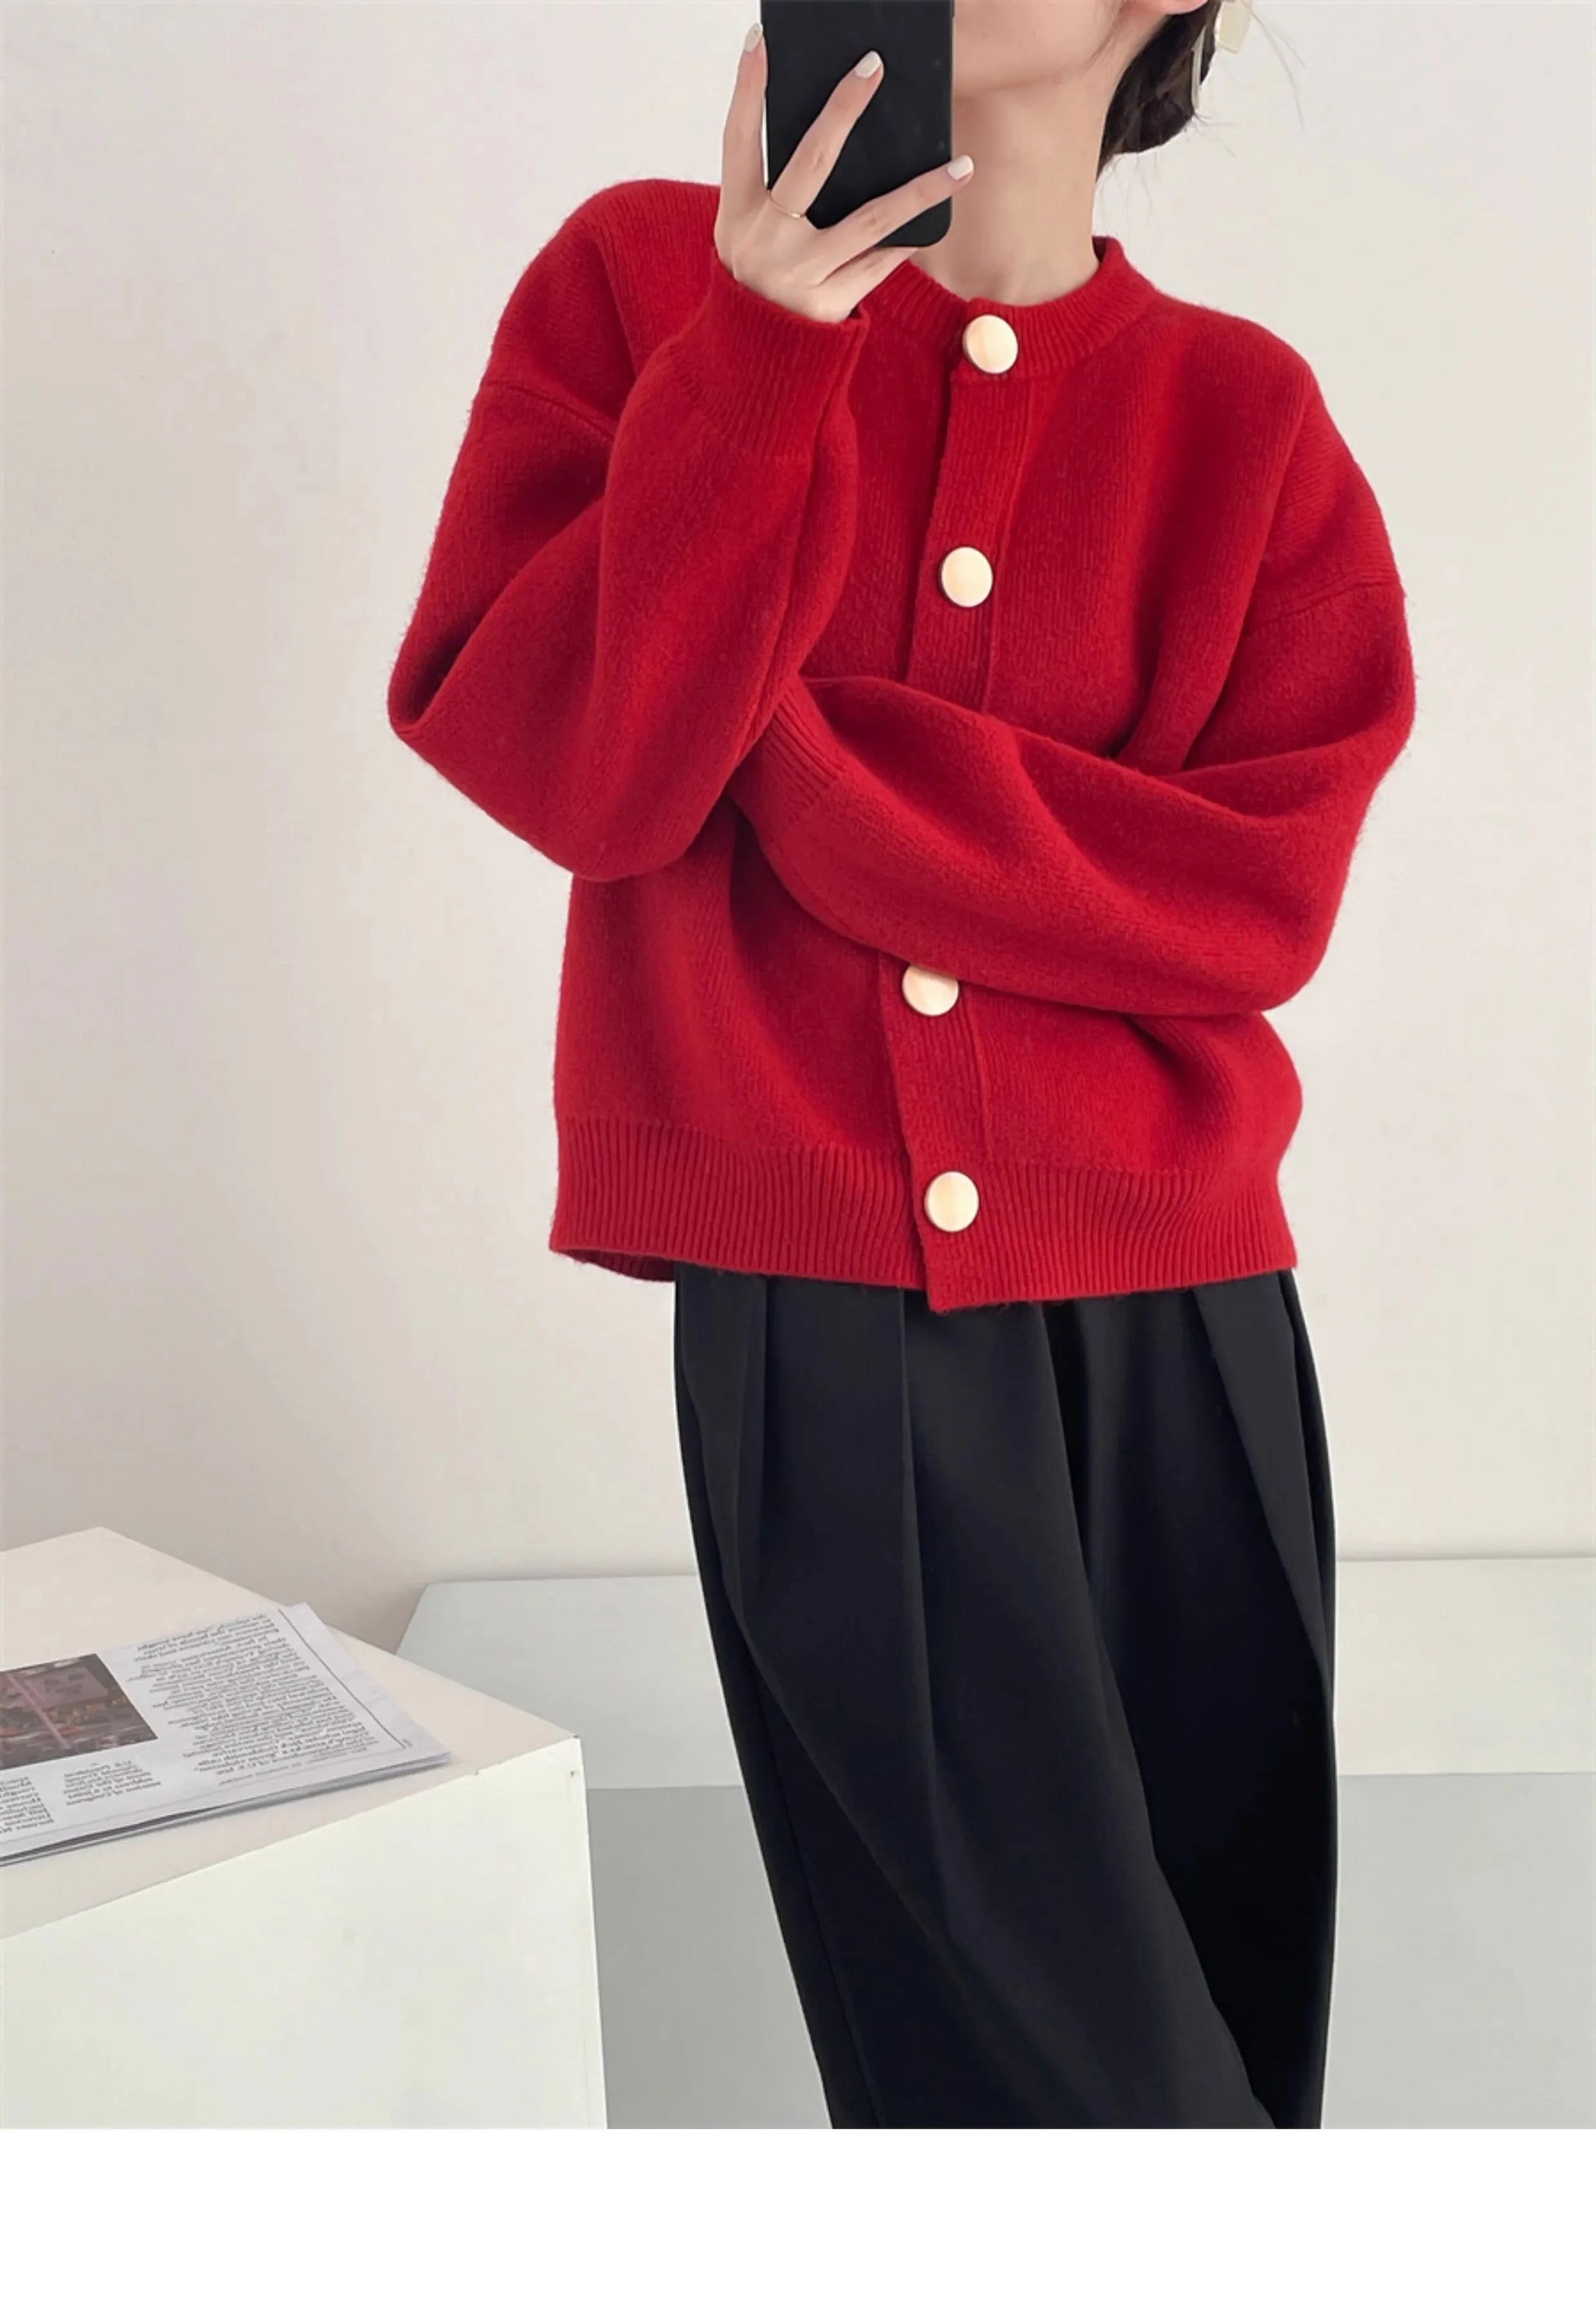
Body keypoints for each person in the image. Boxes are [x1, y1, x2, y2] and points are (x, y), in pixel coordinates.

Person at [387, 0, 1417, 2127]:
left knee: (1237, 2062)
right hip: (831, 1332)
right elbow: (581, 764)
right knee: (1038, 2104)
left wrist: (809, 767)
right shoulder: (641, 289)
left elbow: (1255, 900)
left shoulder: (1247, 417)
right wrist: (760, 352)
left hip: (1196, 1329)